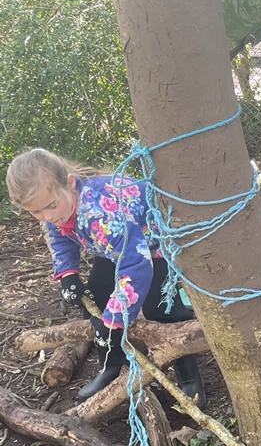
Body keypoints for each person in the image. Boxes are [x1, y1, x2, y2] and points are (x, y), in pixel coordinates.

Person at [6, 149, 206, 407]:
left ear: (69, 183)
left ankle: (188, 374)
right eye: (36, 212)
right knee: (99, 294)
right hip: (116, 249)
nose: (48, 216)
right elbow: (60, 235)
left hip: (153, 247)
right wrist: (68, 274)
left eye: (51, 206)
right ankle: (111, 365)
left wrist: (114, 319)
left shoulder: (98, 211)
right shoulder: (58, 208)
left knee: (160, 307)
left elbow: (136, 265)